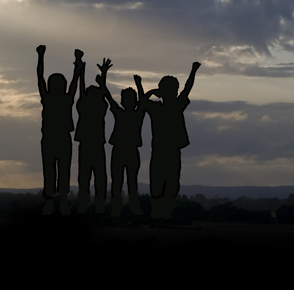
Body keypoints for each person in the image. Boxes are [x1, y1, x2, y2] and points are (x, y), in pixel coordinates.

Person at [142, 62, 201, 219]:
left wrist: (193, 71)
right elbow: (142, 102)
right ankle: (158, 214)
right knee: (158, 183)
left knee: (171, 183)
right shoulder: (158, 108)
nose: (174, 93)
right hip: (160, 151)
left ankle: (165, 214)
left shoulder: (176, 105)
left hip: (171, 150)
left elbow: (187, 88)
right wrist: (153, 91)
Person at [96, 61, 148, 216]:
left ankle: (133, 208)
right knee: (117, 181)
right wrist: (103, 77)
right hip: (119, 149)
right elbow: (107, 96)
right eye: (125, 98)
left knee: (132, 181)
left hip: (130, 150)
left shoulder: (138, 114)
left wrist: (139, 85)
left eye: (130, 98)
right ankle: (116, 209)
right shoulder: (120, 112)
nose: (127, 100)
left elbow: (142, 102)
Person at [37, 45, 82, 215]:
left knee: (61, 170)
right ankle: (52, 202)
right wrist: (40, 56)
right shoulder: (51, 98)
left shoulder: (63, 98)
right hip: (52, 138)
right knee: (52, 170)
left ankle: (61, 202)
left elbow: (74, 80)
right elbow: (40, 77)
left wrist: (77, 63)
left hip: (61, 138)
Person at [74, 58, 109, 214]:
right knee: (95, 178)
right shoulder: (100, 107)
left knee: (87, 177)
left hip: (88, 146)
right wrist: (103, 76)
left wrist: (82, 71)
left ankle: (86, 204)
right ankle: (94, 204)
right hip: (94, 146)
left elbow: (82, 91)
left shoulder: (85, 106)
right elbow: (99, 94)